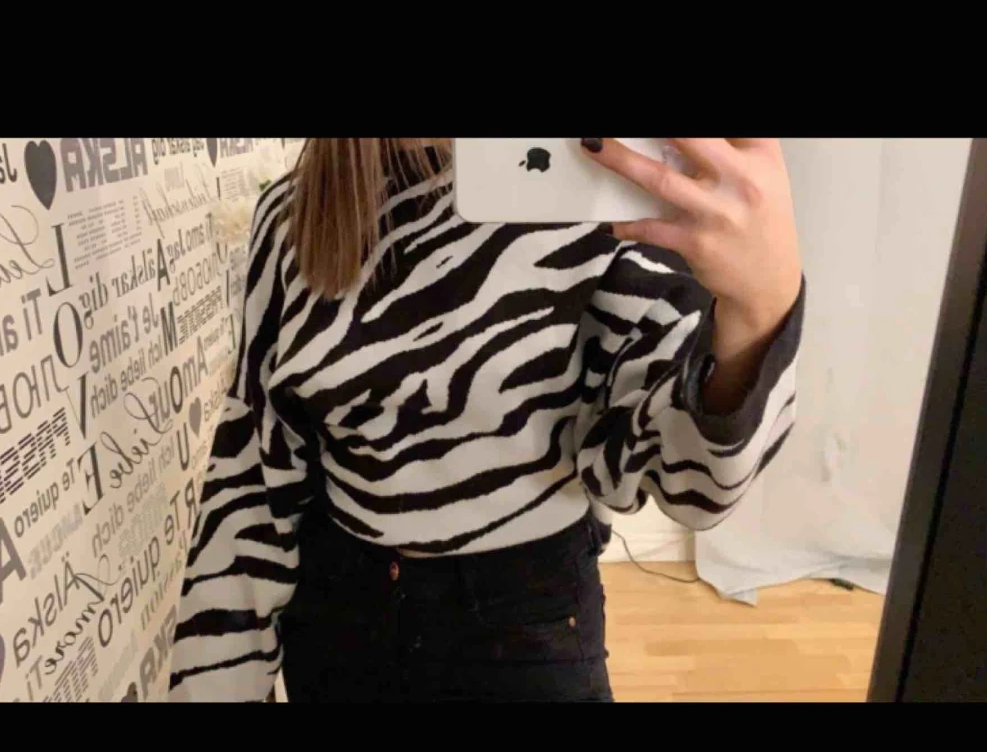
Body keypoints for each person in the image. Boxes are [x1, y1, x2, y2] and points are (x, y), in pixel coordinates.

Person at [168, 138, 805, 702]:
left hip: (524, 622)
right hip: (336, 619)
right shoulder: (291, 215)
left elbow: (690, 484)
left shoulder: (606, 191)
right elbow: (251, 486)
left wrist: (760, 312)